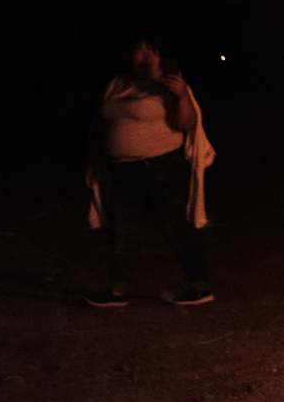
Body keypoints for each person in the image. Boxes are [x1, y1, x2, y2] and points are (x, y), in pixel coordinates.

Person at [84, 36, 215, 307]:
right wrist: (94, 162)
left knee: (175, 228)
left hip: (160, 169)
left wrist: (180, 94)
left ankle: (200, 287)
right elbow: (102, 123)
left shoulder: (168, 84)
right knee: (123, 232)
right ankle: (117, 292)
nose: (145, 57)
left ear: (161, 56)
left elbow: (185, 123)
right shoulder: (118, 84)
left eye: (152, 52)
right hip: (122, 171)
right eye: (139, 50)